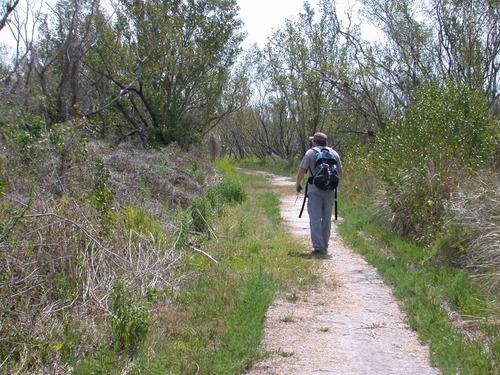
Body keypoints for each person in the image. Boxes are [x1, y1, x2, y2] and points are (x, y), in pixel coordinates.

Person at [296, 132, 342, 254]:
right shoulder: (334, 153)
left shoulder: (310, 153)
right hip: (330, 190)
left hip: (314, 190)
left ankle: (318, 247)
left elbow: (302, 170)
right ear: (326, 142)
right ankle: (325, 246)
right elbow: (340, 173)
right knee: (327, 218)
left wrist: (298, 183)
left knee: (315, 218)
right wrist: (331, 184)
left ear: (315, 141)